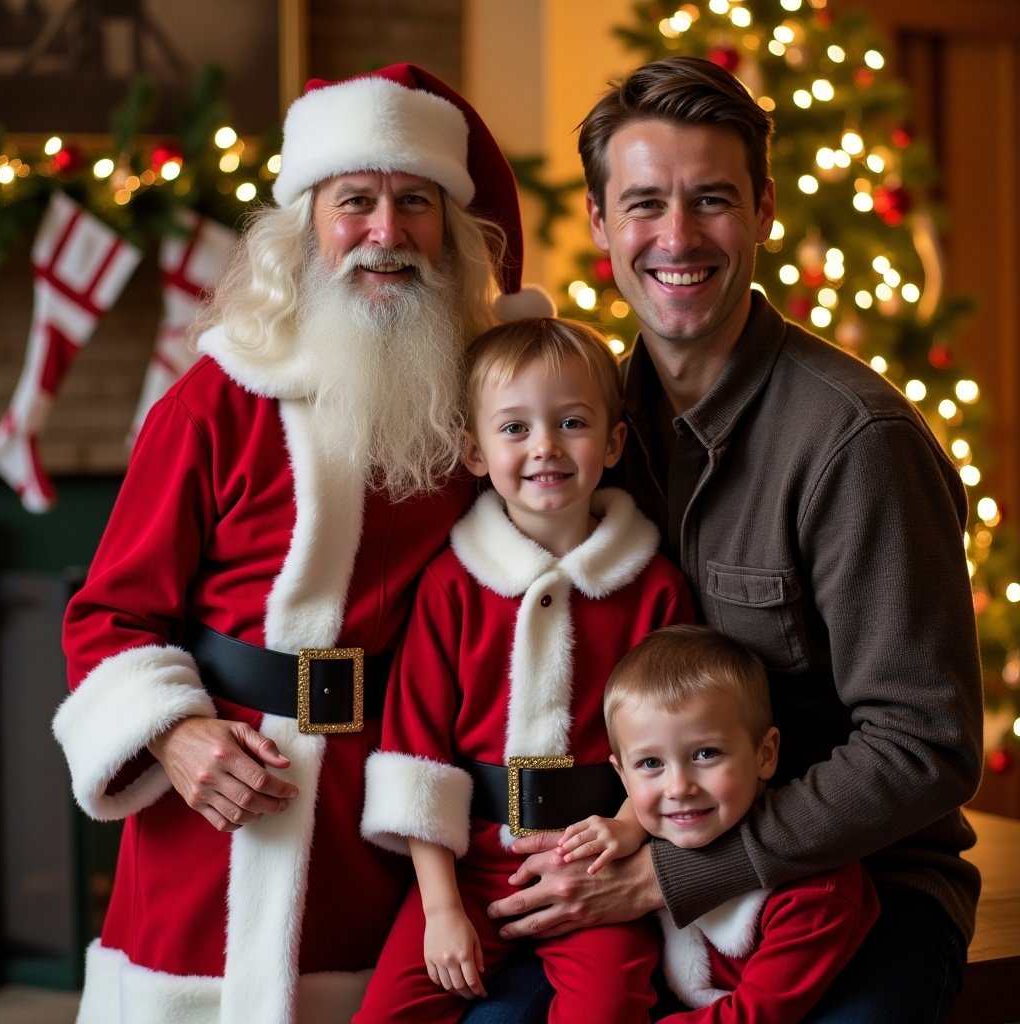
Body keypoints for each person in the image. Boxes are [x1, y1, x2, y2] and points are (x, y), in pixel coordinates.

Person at [51, 63, 555, 1024]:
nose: (385, 231)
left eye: (415, 202)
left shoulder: (485, 420)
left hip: (393, 819)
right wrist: (174, 731)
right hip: (220, 812)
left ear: (450, 232)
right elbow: (107, 613)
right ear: (306, 228)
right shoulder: (213, 402)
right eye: (354, 201)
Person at [487, 56, 984, 1022]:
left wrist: (680, 871)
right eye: (642, 204)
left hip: (857, 886)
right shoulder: (580, 432)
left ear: (761, 209)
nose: (676, 238)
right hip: (632, 864)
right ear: (599, 222)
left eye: (711, 200)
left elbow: (924, 745)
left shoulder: (854, 444)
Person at [354, 316, 695, 1023]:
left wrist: (631, 830)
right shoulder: (452, 584)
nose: (545, 447)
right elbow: (416, 756)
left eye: (571, 422)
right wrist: (441, 907)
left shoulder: (654, 587)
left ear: (614, 441)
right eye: (515, 429)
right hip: (470, 864)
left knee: (608, 1006)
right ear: (474, 451)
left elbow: (677, 739)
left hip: (597, 859)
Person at [560, 624, 879, 1022]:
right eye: (650, 763)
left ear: (765, 754)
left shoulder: (818, 895)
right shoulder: (639, 842)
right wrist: (627, 826)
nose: (679, 787)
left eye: (706, 754)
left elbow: (754, 1015)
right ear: (622, 775)